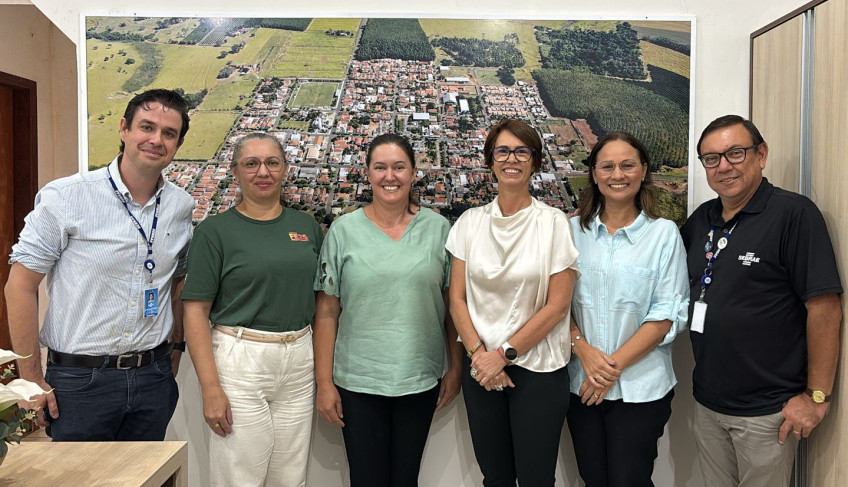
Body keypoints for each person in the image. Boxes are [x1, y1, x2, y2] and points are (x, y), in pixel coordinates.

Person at [4, 88, 194, 441]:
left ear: (178, 144)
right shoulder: (67, 197)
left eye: (168, 133)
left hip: (153, 376)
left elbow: (177, 279)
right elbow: (19, 286)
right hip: (81, 381)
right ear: (124, 129)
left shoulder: (181, 206)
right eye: (146, 127)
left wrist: (177, 346)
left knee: (145, 479)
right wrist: (30, 375)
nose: (156, 140)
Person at [681, 115, 843, 487]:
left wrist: (816, 396)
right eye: (711, 158)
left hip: (769, 411)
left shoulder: (793, 215)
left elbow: (825, 309)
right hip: (708, 402)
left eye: (735, 153)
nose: (723, 166)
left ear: (761, 154)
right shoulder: (702, 219)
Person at [314, 133, 463, 487]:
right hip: (357, 381)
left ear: (413, 173)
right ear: (367, 173)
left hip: (419, 379)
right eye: (380, 167)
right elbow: (326, 312)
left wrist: (456, 366)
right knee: (366, 479)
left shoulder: (439, 229)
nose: (389, 176)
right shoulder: (343, 231)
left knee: (405, 479)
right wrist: (323, 382)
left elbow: (451, 307)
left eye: (399, 167)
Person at [181, 133, 323, 486]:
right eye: (251, 163)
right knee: (238, 475)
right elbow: (195, 312)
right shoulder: (214, 232)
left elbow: (322, 303)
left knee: (291, 475)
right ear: (235, 171)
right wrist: (210, 388)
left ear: (285, 169)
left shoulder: (306, 227)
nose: (263, 171)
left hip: (299, 358)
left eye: (272, 162)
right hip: (240, 359)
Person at [445, 118, 579, 486]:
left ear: (535, 161)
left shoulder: (553, 223)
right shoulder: (469, 224)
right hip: (481, 369)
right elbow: (457, 299)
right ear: (490, 160)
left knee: (537, 479)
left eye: (523, 151)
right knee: (496, 478)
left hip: (538, 370)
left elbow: (557, 305)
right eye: (502, 151)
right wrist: (480, 356)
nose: (512, 159)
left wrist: (502, 354)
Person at [566, 132, 689, 486]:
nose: (617, 174)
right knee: (593, 479)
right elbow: (557, 304)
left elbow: (666, 315)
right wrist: (583, 351)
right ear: (593, 174)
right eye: (607, 166)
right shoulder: (571, 231)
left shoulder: (664, 234)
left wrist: (607, 369)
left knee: (628, 480)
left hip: (640, 389)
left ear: (643, 170)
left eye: (627, 165)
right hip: (581, 385)